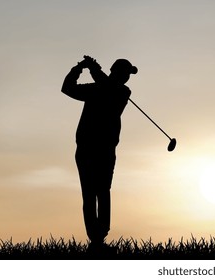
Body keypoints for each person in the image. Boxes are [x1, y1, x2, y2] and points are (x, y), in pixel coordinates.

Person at [61, 56, 138, 252]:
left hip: (103, 150)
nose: (128, 78)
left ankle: (100, 237)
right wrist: (78, 68)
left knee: (101, 192)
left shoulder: (122, 92)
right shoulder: (100, 88)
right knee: (91, 194)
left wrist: (92, 68)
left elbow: (107, 86)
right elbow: (67, 88)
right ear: (118, 72)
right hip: (89, 149)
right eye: (127, 73)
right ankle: (96, 240)